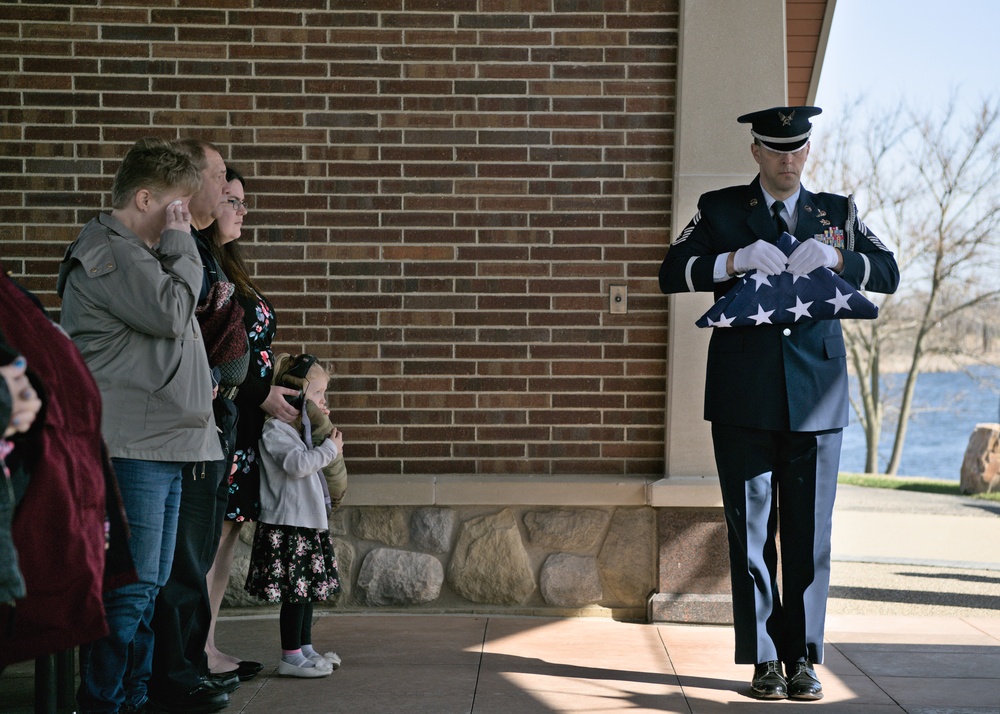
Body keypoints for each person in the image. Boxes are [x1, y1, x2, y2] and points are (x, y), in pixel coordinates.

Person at [659, 106, 900, 701]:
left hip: (818, 398)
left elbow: (890, 272)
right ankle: (766, 659)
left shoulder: (837, 213)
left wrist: (841, 260)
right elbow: (670, 271)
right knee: (750, 538)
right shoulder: (720, 210)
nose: (789, 161)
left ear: (809, 152)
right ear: (756, 153)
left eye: (799, 150)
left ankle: (805, 660)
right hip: (743, 399)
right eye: (777, 150)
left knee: (809, 537)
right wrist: (731, 261)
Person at [56, 137, 222, 714]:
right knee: (129, 594)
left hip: (166, 444)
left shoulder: (142, 253)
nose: (182, 218)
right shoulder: (110, 251)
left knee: (147, 591)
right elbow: (176, 313)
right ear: (145, 197)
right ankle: (102, 702)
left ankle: (133, 698)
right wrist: (182, 238)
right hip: (135, 448)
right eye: (174, 206)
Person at [146, 138, 243, 714]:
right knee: (181, 556)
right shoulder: (176, 247)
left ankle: (187, 663)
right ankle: (173, 672)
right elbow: (174, 318)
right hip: (185, 419)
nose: (226, 188)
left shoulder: (205, 251)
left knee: (198, 550)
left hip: (213, 417)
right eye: (219, 177)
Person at [201, 168, 299, 680]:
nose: (241, 212)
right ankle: (194, 650)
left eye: (243, 204)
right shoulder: (198, 265)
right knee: (211, 540)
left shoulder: (227, 264)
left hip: (245, 425)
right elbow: (208, 353)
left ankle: (208, 645)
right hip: (226, 418)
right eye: (233, 201)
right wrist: (260, 392)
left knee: (229, 535)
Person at [244, 354, 345, 679]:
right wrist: (330, 449)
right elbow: (297, 465)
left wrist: (317, 431)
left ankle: (305, 648)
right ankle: (290, 656)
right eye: (318, 395)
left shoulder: (301, 431)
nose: (323, 402)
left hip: (306, 523)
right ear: (295, 394)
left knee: (308, 591)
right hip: (287, 525)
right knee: (295, 592)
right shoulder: (275, 430)